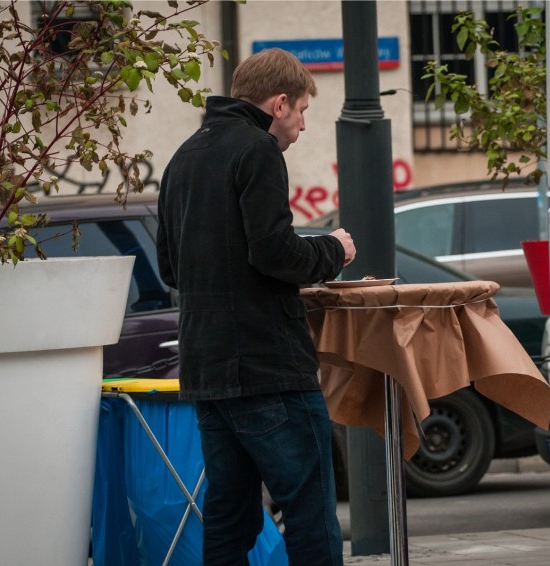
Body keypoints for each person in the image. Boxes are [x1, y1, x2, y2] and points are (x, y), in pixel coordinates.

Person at [156, 48, 355, 566]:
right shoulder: (258, 150)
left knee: (229, 514)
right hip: (268, 368)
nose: (303, 127)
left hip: (207, 369)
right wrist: (333, 249)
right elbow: (274, 252)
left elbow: (170, 269)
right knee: (308, 508)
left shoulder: (184, 155)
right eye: (304, 112)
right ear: (280, 103)